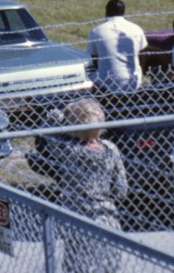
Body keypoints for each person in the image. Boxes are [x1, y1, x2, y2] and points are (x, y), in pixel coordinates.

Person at [50, 97, 128, 270]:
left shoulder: (70, 151)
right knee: (109, 263)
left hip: (77, 212)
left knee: (76, 263)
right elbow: (121, 189)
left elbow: (50, 137)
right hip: (106, 213)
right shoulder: (111, 149)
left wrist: (59, 118)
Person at [87, 0, 146, 99]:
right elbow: (142, 54)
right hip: (133, 83)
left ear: (106, 11)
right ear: (123, 11)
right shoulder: (136, 29)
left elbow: (92, 59)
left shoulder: (97, 31)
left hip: (106, 85)